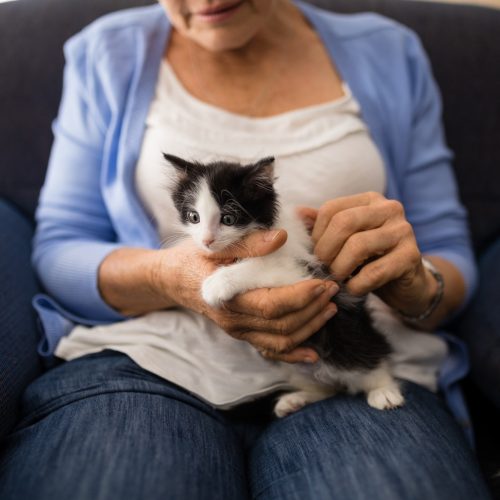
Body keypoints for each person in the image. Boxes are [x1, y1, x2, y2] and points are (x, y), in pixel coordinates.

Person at [0, 1, 492, 499]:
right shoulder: (107, 52)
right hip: (154, 358)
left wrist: (413, 285)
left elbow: (448, 247)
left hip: (340, 354)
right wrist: (167, 278)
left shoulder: (389, 51)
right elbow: (61, 244)